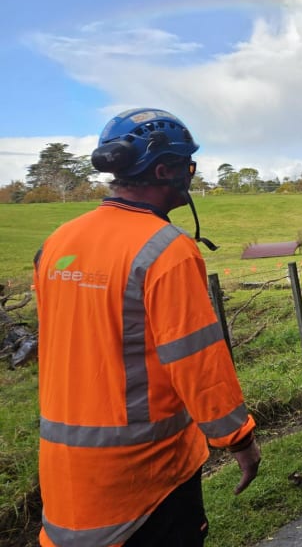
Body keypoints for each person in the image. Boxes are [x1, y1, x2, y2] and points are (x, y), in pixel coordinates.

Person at [34, 108, 261, 547]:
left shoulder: (57, 243)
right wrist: (238, 440)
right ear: (164, 170)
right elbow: (196, 361)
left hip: (66, 485)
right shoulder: (166, 250)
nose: (191, 176)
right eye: (187, 165)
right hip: (146, 483)